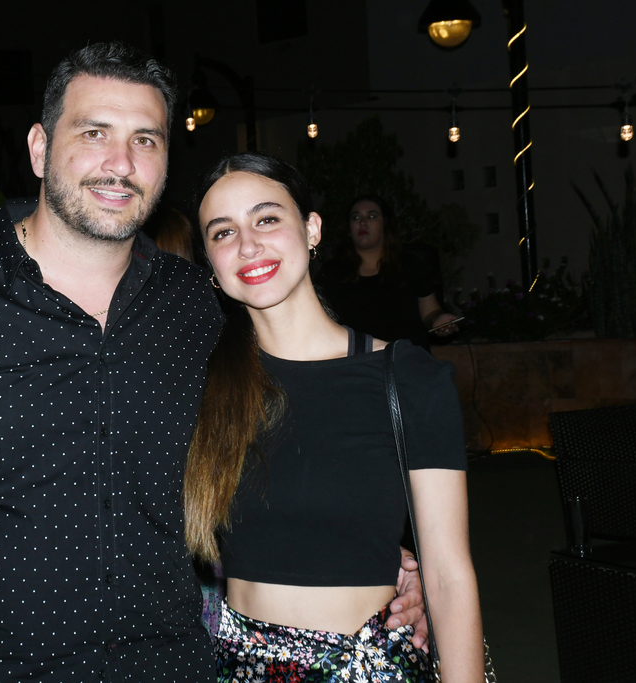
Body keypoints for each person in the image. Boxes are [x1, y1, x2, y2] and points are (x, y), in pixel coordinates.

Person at [0, 43, 427, 681]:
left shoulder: (198, 307)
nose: (121, 164)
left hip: (168, 667)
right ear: (40, 148)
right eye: (94, 133)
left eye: (145, 140)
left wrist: (373, 560)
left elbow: (286, 443)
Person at [185, 153, 484, 682]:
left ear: (312, 229)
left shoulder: (408, 379)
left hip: (368, 668)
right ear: (209, 261)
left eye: (266, 219)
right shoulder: (198, 387)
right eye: (223, 232)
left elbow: (448, 575)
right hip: (236, 669)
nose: (248, 245)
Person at [317, 195, 458, 351]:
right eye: (356, 217)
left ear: (385, 224)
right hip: (355, 361)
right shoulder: (331, 273)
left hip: (406, 358)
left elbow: (430, 312)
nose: (362, 222)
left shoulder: (411, 265)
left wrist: (439, 320)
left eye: (371, 216)